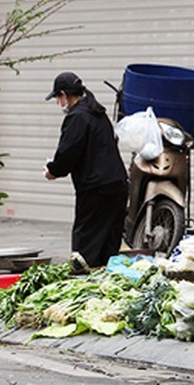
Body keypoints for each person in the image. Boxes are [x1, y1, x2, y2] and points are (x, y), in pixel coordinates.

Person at [43, 71, 128, 268]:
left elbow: (68, 152)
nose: (58, 102)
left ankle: (84, 283)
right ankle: (107, 285)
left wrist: (53, 170)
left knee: (86, 244)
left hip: (95, 188)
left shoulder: (78, 117)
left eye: (57, 97)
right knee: (109, 242)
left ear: (64, 94)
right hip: (117, 184)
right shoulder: (97, 112)